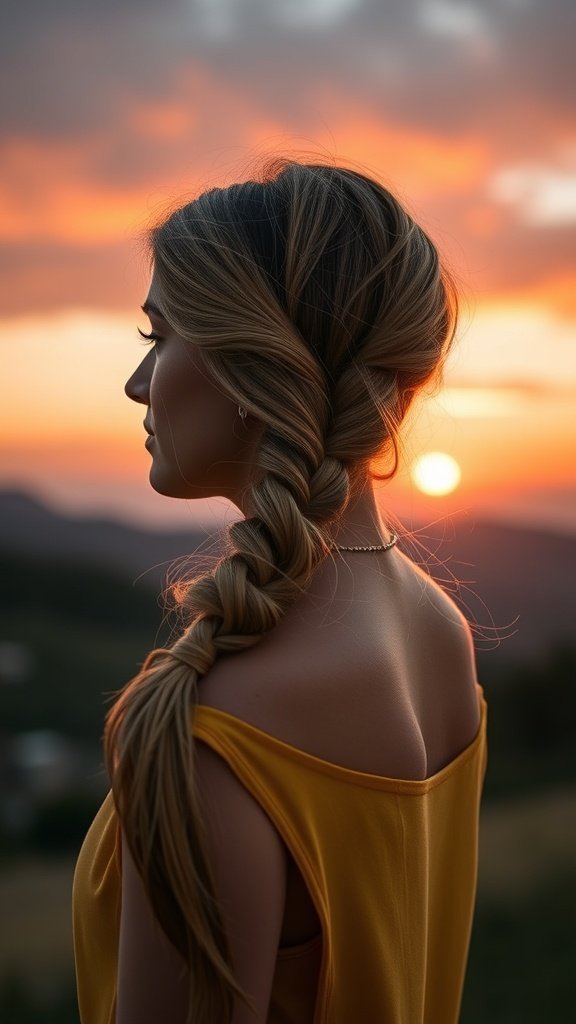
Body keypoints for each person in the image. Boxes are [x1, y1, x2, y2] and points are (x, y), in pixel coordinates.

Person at [72, 159, 487, 1024]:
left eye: (160, 338)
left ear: (252, 364)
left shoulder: (215, 737)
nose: (138, 384)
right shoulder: (440, 633)